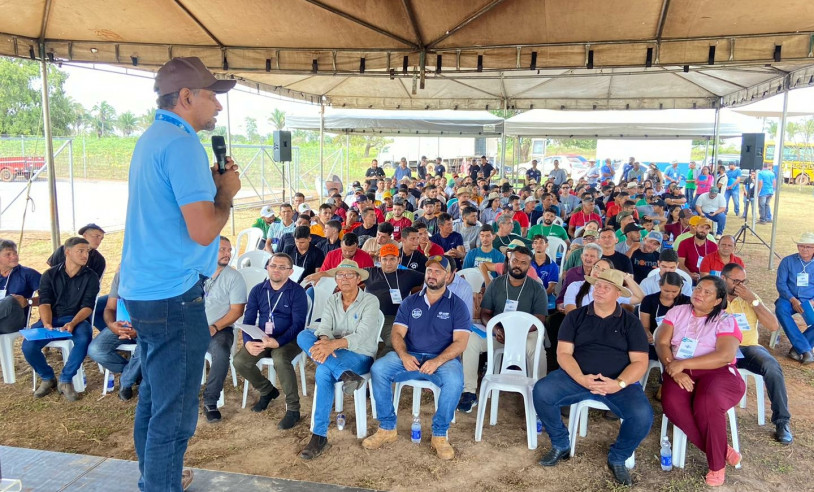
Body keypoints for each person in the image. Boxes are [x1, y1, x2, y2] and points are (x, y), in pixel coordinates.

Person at [117, 56, 239, 492]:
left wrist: (208, 190)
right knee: (176, 412)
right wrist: (225, 194)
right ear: (186, 97)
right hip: (174, 295)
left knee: (153, 397)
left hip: (144, 292)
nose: (218, 108)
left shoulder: (152, 138)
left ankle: (153, 477)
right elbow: (205, 230)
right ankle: (160, 484)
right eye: (212, 97)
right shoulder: (183, 144)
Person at [533, 269, 651, 486]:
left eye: (607, 287)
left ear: (618, 293)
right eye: (597, 285)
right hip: (578, 377)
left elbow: (640, 362)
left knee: (642, 416)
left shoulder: (630, 322)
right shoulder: (576, 317)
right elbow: (563, 354)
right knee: (542, 391)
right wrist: (580, 378)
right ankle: (560, 443)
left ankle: (618, 457)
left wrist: (619, 383)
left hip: (618, 381)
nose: (600, 289)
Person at [362, 256, 471, 460]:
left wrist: (437, 361)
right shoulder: (410, 302)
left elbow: (461, 342)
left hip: (442, 360)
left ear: (450, 276)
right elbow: (396, 334)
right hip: (410, 356)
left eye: (439, 271)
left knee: (455, 380)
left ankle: (439, 434)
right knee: (379, 369)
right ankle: (387, 427)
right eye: (429, 270)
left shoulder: (458, 305)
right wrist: (403, 355)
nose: (432, 275)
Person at [656, 276, 745, 487]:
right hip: (679, 370)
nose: (699, 294)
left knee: (707, 402)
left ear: (717, 300)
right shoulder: (677, 312)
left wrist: (683, 362)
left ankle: (716, 465)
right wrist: (674, 368)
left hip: (718, 372)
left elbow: (724, 355)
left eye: (707, 292)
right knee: (672, 404)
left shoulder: (725, 320)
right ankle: (722, 450)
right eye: (698, 288)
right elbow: (661, 342)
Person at [296, 260, 380, 459]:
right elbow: (323, 327)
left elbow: (361, 335)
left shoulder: (370, 301)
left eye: (350, 275)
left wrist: (331, 346)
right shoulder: (333, 300)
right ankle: (344, 374)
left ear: (358, 279)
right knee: (303, 336)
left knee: (323, 371)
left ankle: (319, 436)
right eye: (340, 275)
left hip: (361, 354)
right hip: (335, 353)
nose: (344, 279)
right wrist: (324, 340)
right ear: (336, 279)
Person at [459, 245, 548, 413]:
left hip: (525, 335)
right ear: (508, 260)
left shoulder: (537, 288)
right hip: (499, 334)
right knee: (470, 340)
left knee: (537, 350)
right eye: (514, 260)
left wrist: (516, 334)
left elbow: (538, 320)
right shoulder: (496, 284)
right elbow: (485, 313)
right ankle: (469, 392)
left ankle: (540, 396)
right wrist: (495, 329)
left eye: (523, 262)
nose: (518, 265)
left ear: (529, 266)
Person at [721, 263, 792, 444]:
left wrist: (753, 300)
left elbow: (773, 326)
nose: (740, 286)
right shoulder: (713, 295)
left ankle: (782, 421)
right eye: (736, 281)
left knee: (772, 367)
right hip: (722, 348)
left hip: (749, 347)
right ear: (723, 279)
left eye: (743, 281)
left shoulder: (750, 298)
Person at [234, 253, 308, 427]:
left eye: (282, 267)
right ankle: (267, 390)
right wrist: (247, 341)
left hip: (290, 339)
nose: (276, 270)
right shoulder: (258, 290)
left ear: (290, 272)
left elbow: (298, 325)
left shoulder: (297, 292)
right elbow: (249, 320)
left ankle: (293, 409)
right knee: (240, 361)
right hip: (263, 337)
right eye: (273, 265)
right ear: (267, 267)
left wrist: (278, 342)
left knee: (280, 359)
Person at [24, 237, 100, 401]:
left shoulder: (91, 276)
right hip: (53, 317)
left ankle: (65, 379)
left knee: (84, 337)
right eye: (81, 251)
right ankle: (47, 377)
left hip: (77, 319)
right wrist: (47, 323)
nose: (85, 255)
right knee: (28, 345)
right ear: (68, 252)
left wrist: (73, 323)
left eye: (87, 251)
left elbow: (88, 306)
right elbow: (45, 302)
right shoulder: (50, 274)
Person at [198, 237, 247, 422]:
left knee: (220, 351)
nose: (228, 254)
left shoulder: (234, 277)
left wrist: (215, 327)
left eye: (229, 250)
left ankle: (210, 400)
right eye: (222, 250)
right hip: (192, 327)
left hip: (220, 328)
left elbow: (237, 310)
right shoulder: (196, 274)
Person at [87, 267, 143, 401]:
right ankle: (135, 373)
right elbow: (110, 308)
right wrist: (112, 326)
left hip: (148, 325)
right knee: (95, 350)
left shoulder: (157, 275)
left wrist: (139, 328)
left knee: (146, 349)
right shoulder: (122, 275)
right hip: (122, 324)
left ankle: (126, 381)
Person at [362, 244, 425, 358]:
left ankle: (378, 368)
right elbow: (348, 273)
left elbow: (429, 279)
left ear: (399, 260)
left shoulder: (408, 274)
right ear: (379, 260)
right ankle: (374, 368)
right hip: (371, 316)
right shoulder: (370, 273)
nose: (388, 263)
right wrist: (322, 274)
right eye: (384, 259)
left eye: (392, 259)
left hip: (394, 318)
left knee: (398, 342)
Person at [774, 232, 814, 364]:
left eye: (808, 247)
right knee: (780, 309)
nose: (804, 249)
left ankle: (797, 350)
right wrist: (792, 299)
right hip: (789, 299)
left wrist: (812, 302)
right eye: (801, 246)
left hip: (810, 301)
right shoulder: (787, 261)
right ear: (797, 246)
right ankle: (805, 350)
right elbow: (781, 284)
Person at [639, 272, 690, 361]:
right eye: (666, 291)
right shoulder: (649, 300)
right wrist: (647, 334)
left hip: (679, 341)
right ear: (660, 285)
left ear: (681, 287)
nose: (670, 295)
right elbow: (645, 326)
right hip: (654, 341)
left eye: (674, 291)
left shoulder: (687, 302)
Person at [562, 259, 644, 313]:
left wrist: (626, 277)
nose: (597, 271)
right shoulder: (575, 286)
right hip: (579, 328)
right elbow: (570, 312)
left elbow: (640, 298)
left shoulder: (614, 291)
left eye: (603, 270)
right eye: (596, 267)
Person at [0, 239, 41, 334]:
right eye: (8, 254)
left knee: (11, 300)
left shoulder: (28, 274)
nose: (14, 257)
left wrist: (28, 301)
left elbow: (50, 297)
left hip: (13, 322)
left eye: (15, 253)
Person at [677, 217, 717, 284]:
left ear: (709, 230)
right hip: (687, 277)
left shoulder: (713, 246)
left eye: (707, 228)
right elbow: (680, 263)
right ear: (695, 227)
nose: (703, 230)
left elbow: (714, 265)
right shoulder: (684, 243)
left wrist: (705, 276)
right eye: (701, 227)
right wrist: (689, 274)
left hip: (707, 278)